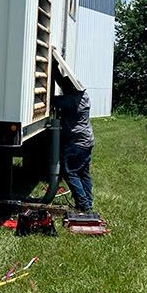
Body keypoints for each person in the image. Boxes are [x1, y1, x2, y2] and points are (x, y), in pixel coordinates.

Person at [57, 82, 94, 213]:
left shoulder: (71, 100)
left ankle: (83, 205)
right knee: (84, 174)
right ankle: (88, 203)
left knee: (70, 172)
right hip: (87, 141)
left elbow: (53, 101)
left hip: (76, 143)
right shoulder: (84, 96)